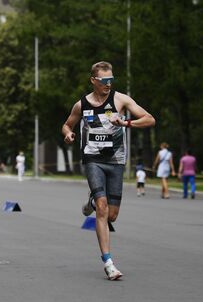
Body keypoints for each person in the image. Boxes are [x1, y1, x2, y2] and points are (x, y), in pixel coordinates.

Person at [62, 61, 155, 280]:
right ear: (93, 80)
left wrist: (125, 124)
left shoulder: (120, 99)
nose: (108, 84)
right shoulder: (81, 105)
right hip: (92, 159)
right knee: (103, 210)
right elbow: (67, 125)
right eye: (104, 81)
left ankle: (93, 201)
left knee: (111, 215)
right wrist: (68, 134)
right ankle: (109, 263)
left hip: (115, 161)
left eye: (111, 80)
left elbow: (150, 119)